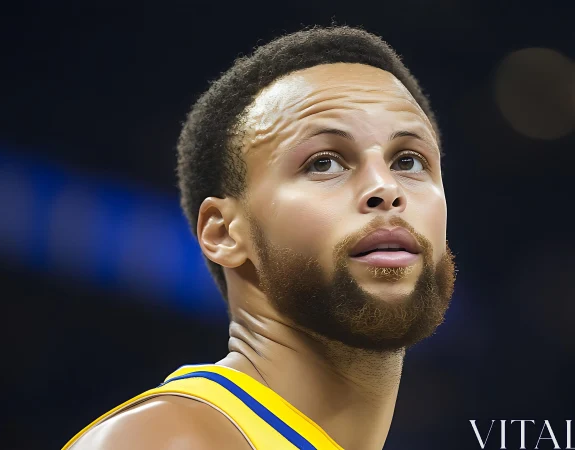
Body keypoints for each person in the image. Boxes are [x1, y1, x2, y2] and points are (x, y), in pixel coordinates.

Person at [64, 25, 456, 450]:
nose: (387, 187)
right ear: (225, 233)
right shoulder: (162, 441)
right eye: (324, 163)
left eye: (409, 160)